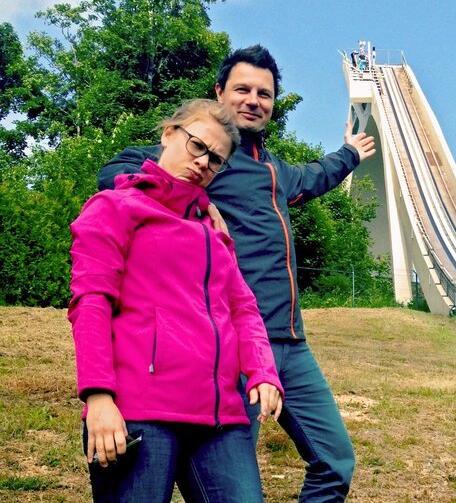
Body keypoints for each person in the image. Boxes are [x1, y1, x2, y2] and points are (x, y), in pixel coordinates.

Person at [98, 46, 377, 501]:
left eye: (264, 94)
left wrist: (349, 153)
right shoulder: (203, 156)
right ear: (219, 92)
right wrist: (200, 201)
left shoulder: (277, 171)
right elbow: (118, 172)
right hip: (235, 348)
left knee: (335, 461)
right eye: (242, 89)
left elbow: (317, 175)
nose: (253, 100)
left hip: (292, 346)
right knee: (229, 486)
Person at [70, 99, 284, 502]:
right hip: (141, 412)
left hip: (222, 419)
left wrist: (263, 371)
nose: (204, 163)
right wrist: (97, 398)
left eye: (217, 160)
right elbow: (91, 301)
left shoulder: (216, 232)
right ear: (169, 134)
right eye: (198, 146)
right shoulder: (114, 207)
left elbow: (243, 309)